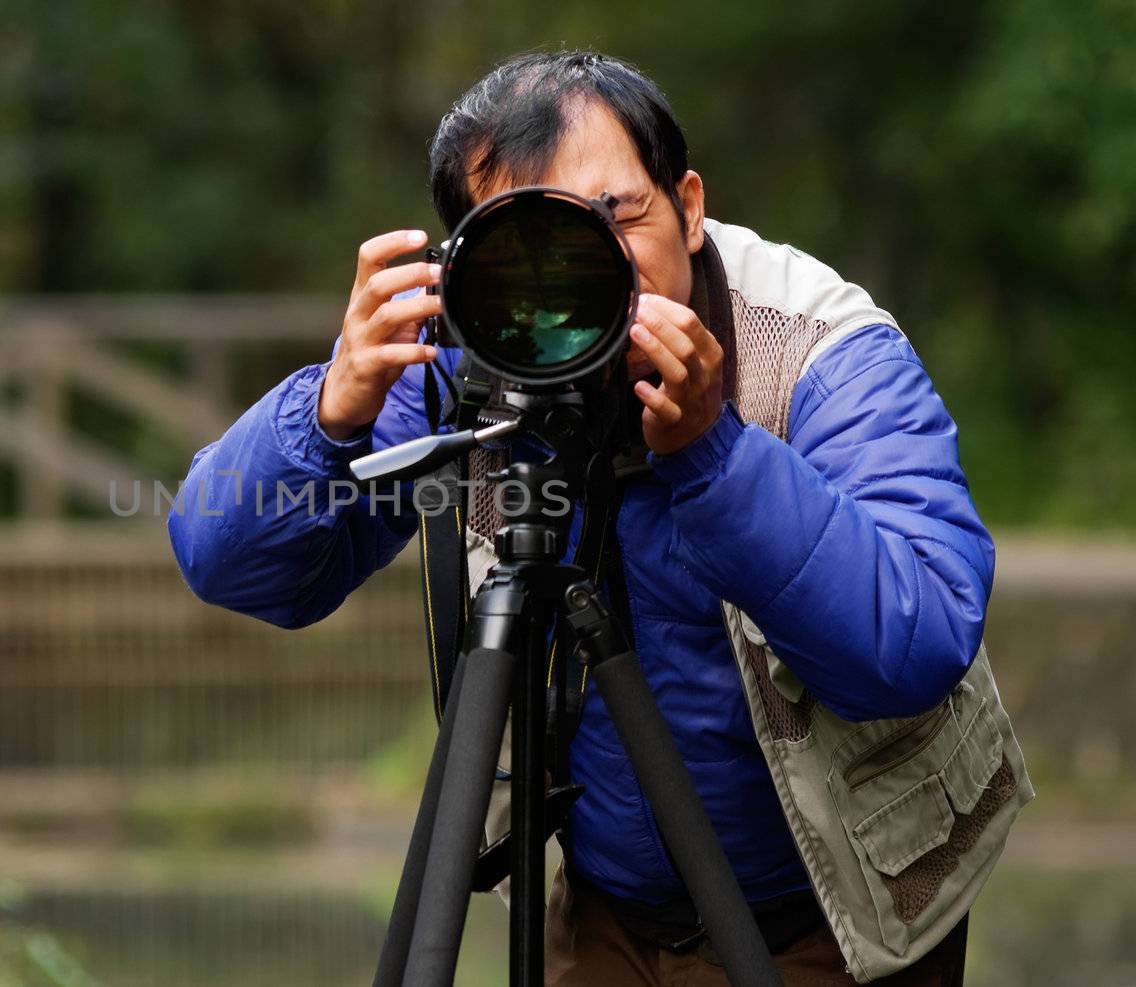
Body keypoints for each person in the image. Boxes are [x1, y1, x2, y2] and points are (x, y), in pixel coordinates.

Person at [168, 50, 1030, 985]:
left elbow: (916, 643)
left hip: (842, 919)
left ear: (689, 207)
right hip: (605, 911)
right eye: (536, 242)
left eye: (618, 217)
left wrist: (713, 452)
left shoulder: (822, 347)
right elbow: (227, 556)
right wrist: (331, 405)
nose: (593, 269)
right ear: (466, 262)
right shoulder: (476, 364)